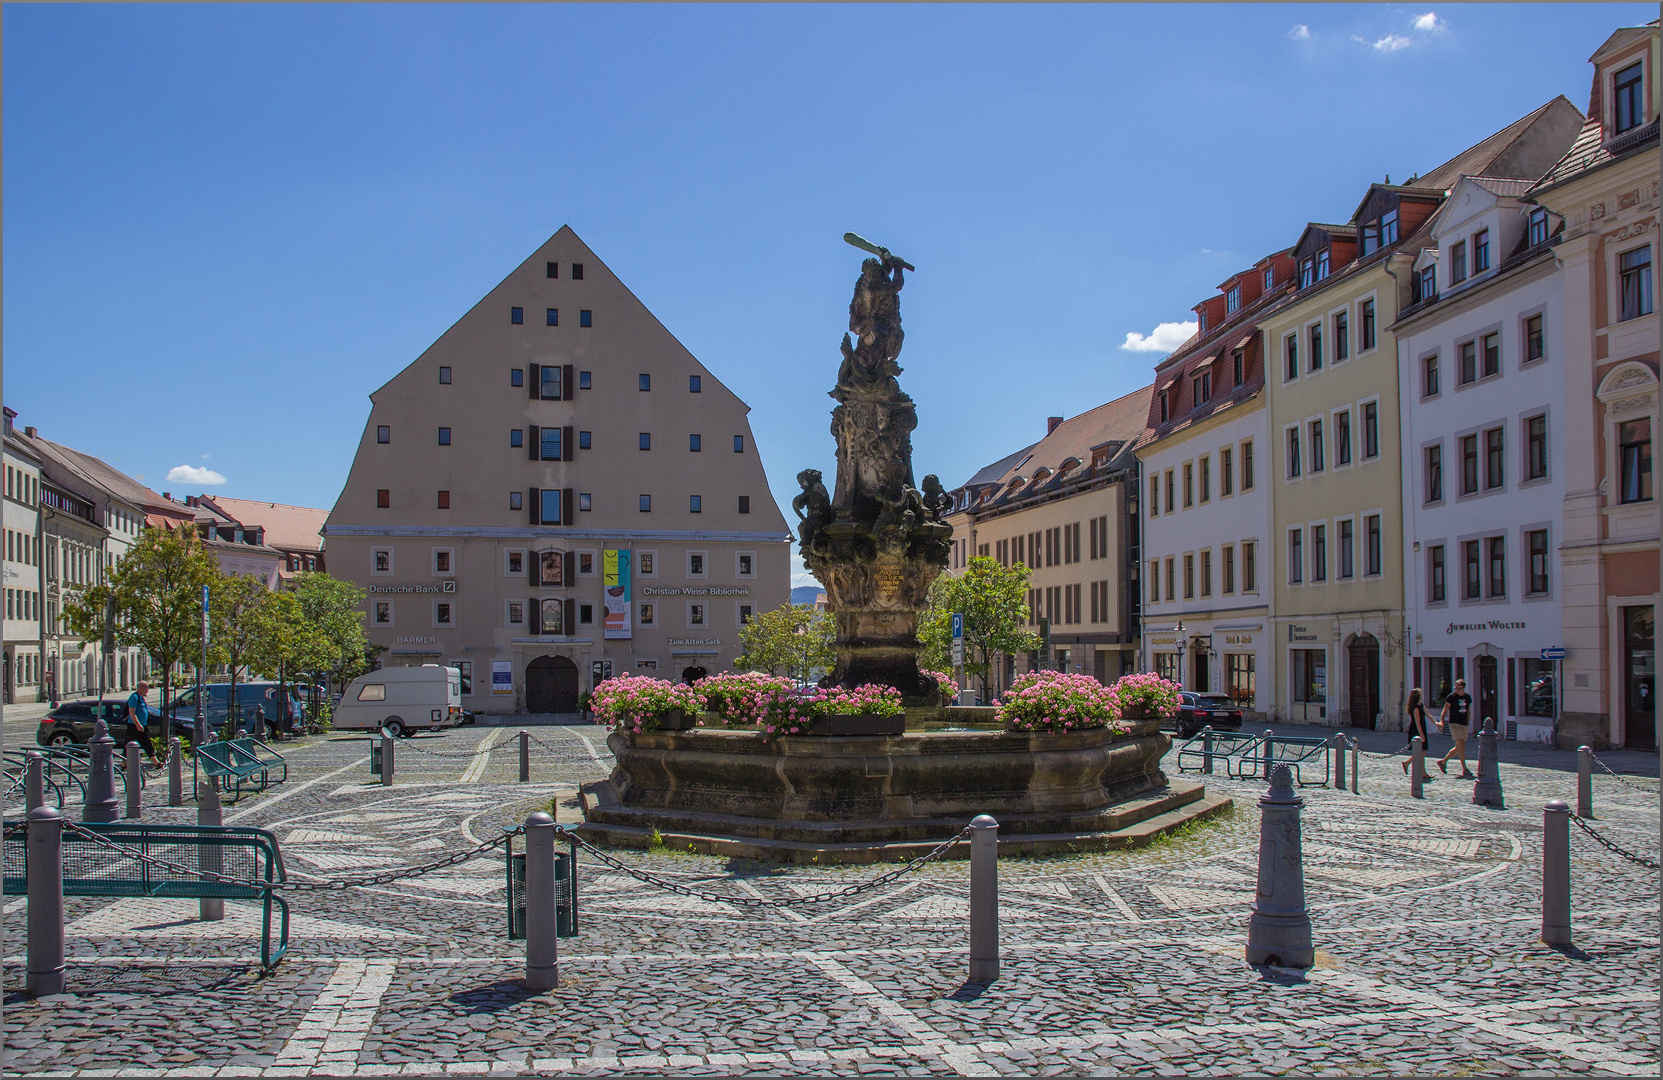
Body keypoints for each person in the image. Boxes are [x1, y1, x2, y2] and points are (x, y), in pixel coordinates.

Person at [1436, 678, 1475, 779]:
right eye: (1456, 688)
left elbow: (1468, 710)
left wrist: (1468, 723)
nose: (1457, 690)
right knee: (1461, 746)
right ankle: (1465, 769)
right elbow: (1445, 710)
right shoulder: (1451, 697)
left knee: (1458, 747)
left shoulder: (1467, 697)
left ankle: (1443, 762)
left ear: (1463, 688)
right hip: (1454, 723)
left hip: (1464, 724)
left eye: (1459, 688)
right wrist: (1442, 721)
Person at [125, 680, 162, 768]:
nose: (147, 689)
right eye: (146, 686)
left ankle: (155, 762)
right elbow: (132, 713)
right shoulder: (134, 697)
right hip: (134, 725)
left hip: (142, 725)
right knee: (129, 744)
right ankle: (124, 764)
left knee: (146, 743)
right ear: (140, 688)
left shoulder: (141, 697)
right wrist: (138, 725)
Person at [1401, 687, 1435, 781]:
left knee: (1422, 752)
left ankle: (1423, 772)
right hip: (1416, 730)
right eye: (1421, 694)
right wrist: (1421, 735)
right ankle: (1407, 763)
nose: (1422, 695)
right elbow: (1417, 722)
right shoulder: (1415, 708)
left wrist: (1436, 724)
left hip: (1421, 730)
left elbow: (1428, 715)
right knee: (1421, 752)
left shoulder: (1421, 705)